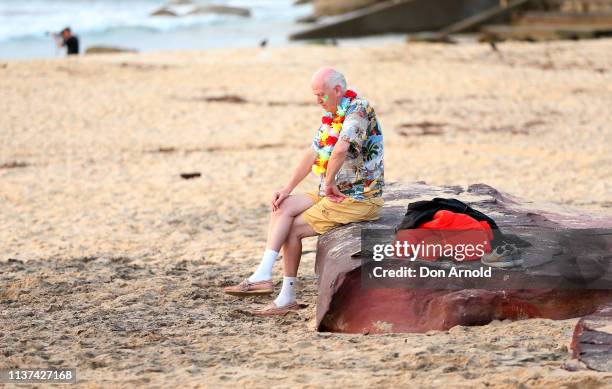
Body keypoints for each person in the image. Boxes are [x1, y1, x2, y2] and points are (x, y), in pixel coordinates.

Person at [224, 67, 385, 316]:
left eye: (321, 95)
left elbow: (341, 149)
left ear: (338, 90)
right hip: (330, 193)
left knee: (292, 229)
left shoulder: (359, 109)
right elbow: (313, 152)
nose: (317, 101)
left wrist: (329, 181)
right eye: (315, 95)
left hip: (357, 198)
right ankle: (263, 274)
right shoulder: (333, 116)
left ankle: (285, 297)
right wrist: (287, 188)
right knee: (284, 206)